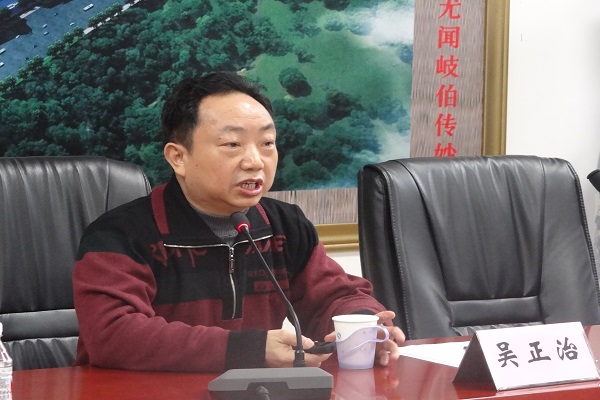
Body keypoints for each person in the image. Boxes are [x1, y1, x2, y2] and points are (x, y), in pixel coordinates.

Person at [72, 71, 405, 372]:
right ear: (179, 157)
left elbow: (334, 296)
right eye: (232, 144)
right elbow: (113, 334)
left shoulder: (283, 225)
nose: (255, 161)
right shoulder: (120, 234)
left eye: (267, 143)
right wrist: (250, 349)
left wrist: (363, 324)